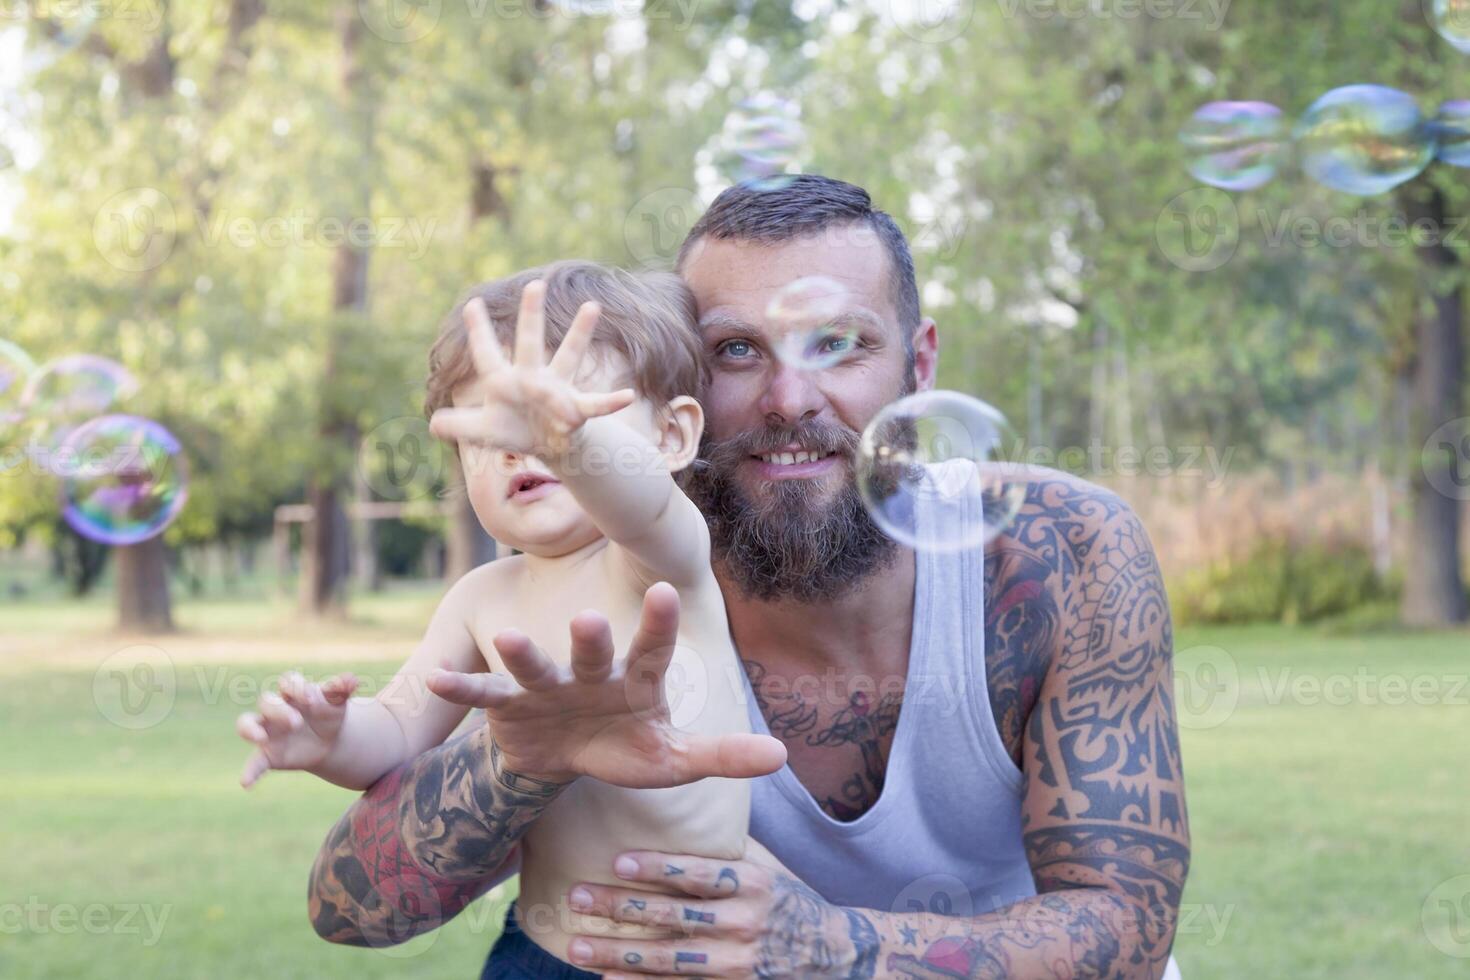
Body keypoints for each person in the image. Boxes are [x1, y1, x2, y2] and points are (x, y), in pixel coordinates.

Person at [306, 175, 1191, 979]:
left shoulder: (1060, 551)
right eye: (736, 351)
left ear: (919, 366)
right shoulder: (609, 581)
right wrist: (516, 764)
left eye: (839, 343)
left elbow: (1129, 925)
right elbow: (350, 909)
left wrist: (841, 949)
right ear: (683, 397)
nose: (789, 400)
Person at [237, 261, 786, 975]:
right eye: (488, 431)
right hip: (542, 952)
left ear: (672, 436)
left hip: (699, 956)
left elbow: (644, 502)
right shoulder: (481, 597)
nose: (521, 442)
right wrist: (333, 736)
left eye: (563, 411)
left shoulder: (658, 559)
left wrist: (573, 443)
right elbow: (402, 729)